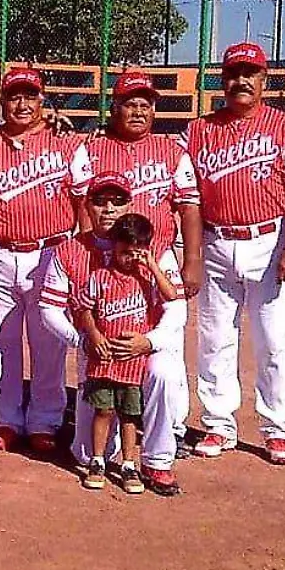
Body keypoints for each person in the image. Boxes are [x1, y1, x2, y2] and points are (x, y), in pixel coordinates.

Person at [183, 42, 285, 465]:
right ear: (222, 81)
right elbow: (189, 197)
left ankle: (278, 428)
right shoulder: (197, 130)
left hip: (268, 244)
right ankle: (219, 424)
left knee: (273, 341)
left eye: (250, 73)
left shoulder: (284, 127)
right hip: (217, 242)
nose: (242, 80)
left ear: (263, 80)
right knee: (215, 338)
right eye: (234, 73)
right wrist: (195, 255)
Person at [0, 67, 92, 453]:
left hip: (51, 252)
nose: (22, 103)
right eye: (14, 96)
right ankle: (6, 417)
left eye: (30, 96)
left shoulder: (64, 142)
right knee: (1, 341)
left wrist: (81, 255)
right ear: (3, 101)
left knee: (48, 342)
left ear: (42, 100)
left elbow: (83, 203)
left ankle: (45, 419)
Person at [39, 173, 188, 496]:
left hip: (145, 346)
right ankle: (105, 452)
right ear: (87, 206)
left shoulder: (153, 246)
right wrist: (83, 340)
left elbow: (177, 308)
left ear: (130, 204)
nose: (108, 209)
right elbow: (49, 309)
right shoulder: (69, 250)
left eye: (118, 201)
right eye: (100, 201)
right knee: (86, 452)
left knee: (163, 373)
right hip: (98, 350)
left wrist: (149, 342)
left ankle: (157, 459)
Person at [84, 70, 201, 457]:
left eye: (145, 104)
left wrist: (193, 259)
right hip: (109, 259)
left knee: (166, 349)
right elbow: (84, 206)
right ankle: (111, 421)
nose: (137, 110)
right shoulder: (94, 149)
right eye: (129, 103)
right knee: (110, 338)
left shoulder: (172, 151)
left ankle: (172, 429)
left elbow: (188, 206)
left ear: (154, 108)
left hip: (158, 255)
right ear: (114, 107)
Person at [73, 213, 180, 494]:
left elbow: (172, 295)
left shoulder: (147, 278)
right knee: (104, 409)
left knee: (130, 414)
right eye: (124, 252)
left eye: (136, 253)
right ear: (113, 247)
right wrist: (93, 334)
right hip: (105, 359)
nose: (129, 259)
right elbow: (83, 308)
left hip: (133, 363)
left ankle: (129, 463)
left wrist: (152, 265)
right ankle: (97, 460)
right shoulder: (99, 277)